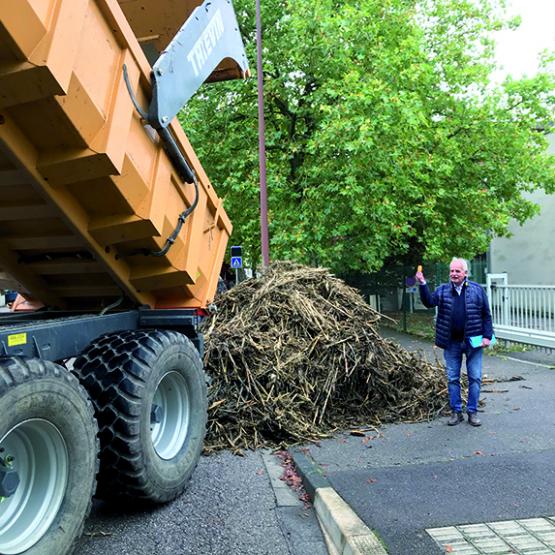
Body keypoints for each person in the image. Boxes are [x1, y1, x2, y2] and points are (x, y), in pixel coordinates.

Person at [415, 258, 493, 427]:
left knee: (475, 378)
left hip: (474, 343)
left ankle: (472, 412)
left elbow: (486, 314)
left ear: (465, 273)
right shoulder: (442, 290)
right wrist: (422, 284)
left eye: (457, 271)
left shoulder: (477, 290)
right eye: (451, 271)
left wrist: (487, 336)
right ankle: (456, 412)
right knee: (452, 378)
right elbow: (429, 302)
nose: (454, 274)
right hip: (451, 343)